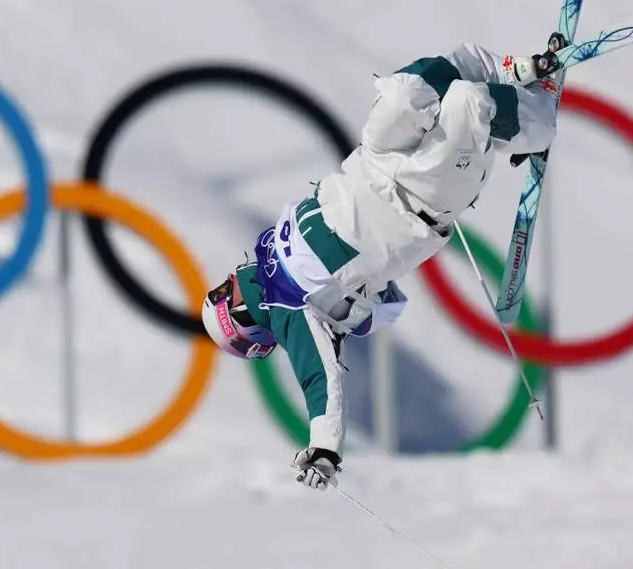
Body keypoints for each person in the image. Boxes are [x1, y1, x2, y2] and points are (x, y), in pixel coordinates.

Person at [200, 38, 565, 490]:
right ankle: (538, 121)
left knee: (403, 93)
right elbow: (320, 379)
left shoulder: (271, 248)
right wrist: (324, 448)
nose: (228, 283)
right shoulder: (290, 309)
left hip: (376, 161)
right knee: (468, 104)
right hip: (420, 196)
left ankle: (510, 71)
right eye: (222, 295)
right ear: (242, 321)